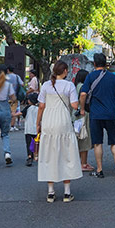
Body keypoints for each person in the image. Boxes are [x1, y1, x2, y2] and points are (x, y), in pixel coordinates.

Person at [36, 60, 83, 202]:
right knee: (66, 154)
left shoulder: (45, 85)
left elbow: (41, 106)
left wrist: (38, 123)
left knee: (49, 155)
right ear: (64, 71)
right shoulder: (69, 85)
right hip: (63, 121)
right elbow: (75, 106)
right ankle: (67, 193)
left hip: (49, 121)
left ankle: (51, 192)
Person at [81, 57, 115, 179]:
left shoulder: (90, 77)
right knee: (114, 141)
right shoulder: (112, 77)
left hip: (96, 114)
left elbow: (83, 94)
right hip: (110, 113)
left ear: (94, 64)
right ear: (106, 64)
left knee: (97, 142)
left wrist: (82, 109)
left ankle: (100, 170)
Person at [75, 69, 94, 172]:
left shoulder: (76, 86)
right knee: (84, 139)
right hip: (84, 115)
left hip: (76, 116)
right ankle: (84, 163)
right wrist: (83, 109)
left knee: (78, 138)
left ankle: (78, 162)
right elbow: (84, 98)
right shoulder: (83, 87)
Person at [24, 92, 39, 167]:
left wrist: (13, 114)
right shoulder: (38, 108)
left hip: (28, 129)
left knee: (29, 143)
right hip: (36, 129)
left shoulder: (28, 108)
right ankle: (36, 155)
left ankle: (30, 156)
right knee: (36, 143)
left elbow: (21, 113)